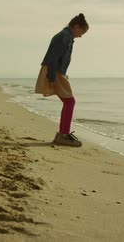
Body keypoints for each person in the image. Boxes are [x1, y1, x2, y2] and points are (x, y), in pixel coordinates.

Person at [34, 13, 89, 146]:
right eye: (82, 32)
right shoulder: (64, 37)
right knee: (70, 102)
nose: (81, 35)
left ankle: (63, 133)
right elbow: (53, 57)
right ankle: (63, 135)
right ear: (76, 26)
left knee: (68, 101)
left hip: (57, 72)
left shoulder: (66, 36)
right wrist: (52, 76)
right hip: (55, 71)